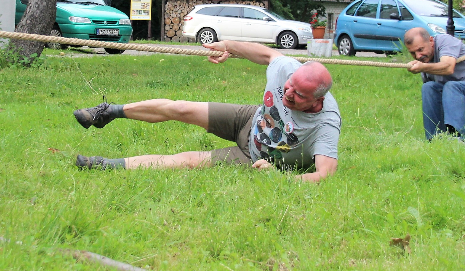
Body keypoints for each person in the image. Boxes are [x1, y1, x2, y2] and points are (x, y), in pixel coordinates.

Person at [73, 40, 340, 182]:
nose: (288, 94)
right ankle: (108, 112)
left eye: (298, 95)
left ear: (317, 100)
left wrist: (282, 179)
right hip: (249, 120)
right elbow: (266, 54)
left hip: (254, 156)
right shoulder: (289, 70)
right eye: (289, 86)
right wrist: (228, 46)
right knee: (181, 108)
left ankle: (104, 165)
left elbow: (324, 174)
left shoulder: (325, 123)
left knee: (187, 160)